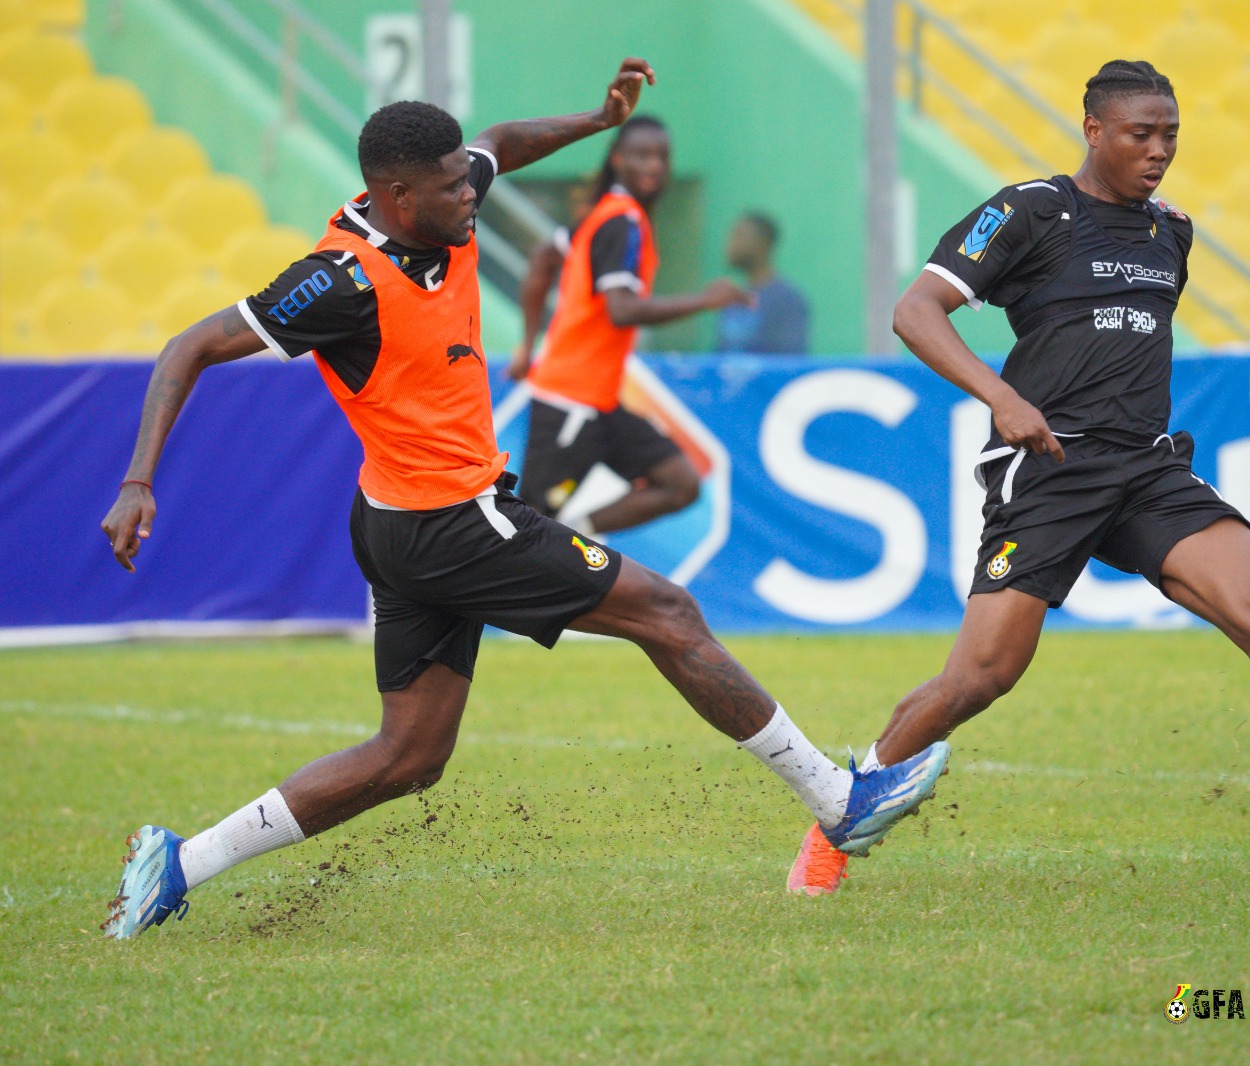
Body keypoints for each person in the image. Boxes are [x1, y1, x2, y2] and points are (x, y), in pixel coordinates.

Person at [98, 59, 949, 939]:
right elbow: (187, 346)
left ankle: (178, 863)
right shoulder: (340, 280)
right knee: (668, 611)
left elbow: (499, 142)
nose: (471, 194)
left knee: (409, 756)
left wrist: (598, 116)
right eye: (448, 188)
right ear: (395, 198)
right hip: (451, 522)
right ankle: (838, 800)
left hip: (400, 519)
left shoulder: (447, 191)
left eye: (466, 179)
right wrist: (136, 482)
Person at [785, 59, 1250, 896]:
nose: (1159, 151)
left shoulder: (1170, 232)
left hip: (1146, 465)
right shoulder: (1029, 210)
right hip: (1049, 466)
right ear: (1094, 131)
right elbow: (914, 311)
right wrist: (1004, 397)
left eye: (1171, 137)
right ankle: (838, 819)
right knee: (982, 676)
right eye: (1141, 135)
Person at [512, 115, 747, 535]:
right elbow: (621, 309)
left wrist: (526, 346)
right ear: (618, 159)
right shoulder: (623, 221)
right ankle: (479, 593)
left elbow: (544, 257)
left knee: (681, 483)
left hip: (598, 403)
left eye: (662, 156)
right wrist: (706, 300)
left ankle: (575, 536)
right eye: (642, 154)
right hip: (569, 404)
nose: (654, 165)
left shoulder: (602, 215)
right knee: (529, 527)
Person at [506, 179, 594, 380]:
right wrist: (527, 346)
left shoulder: (626, 223)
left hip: (599, 365)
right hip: (571, 368)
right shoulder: (591, 231)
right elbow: (544, 254)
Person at [713, 211, 810, 354]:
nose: (730, 244)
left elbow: (788, 364)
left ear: (763, 243)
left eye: (738, 235)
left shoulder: (787, 301)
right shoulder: (731, 299)